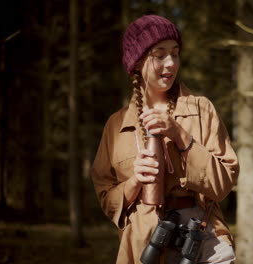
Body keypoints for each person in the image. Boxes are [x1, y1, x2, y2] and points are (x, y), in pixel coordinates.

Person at [91, 15, 239, 264]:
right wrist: (135, 181)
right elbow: (106, 199)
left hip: (202, 241)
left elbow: (224, 183)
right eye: (159, 55)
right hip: (144, 244)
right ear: (137, 62)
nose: (171, 63)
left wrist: (181, 136)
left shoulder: (202, 109)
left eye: (175, 53)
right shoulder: (116, 126)